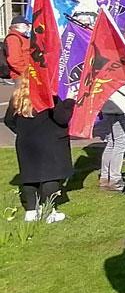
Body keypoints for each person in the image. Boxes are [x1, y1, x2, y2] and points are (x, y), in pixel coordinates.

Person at [5, 74, 74, 223]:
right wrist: (69, 101)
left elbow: (9, 120)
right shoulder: (50, 95)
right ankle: (50, 212)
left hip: (26, 142)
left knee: (30, 176)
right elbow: (61, 118)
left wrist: (23, 132)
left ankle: (31, 211)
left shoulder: (19, 96)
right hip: (50, 141)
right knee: (51, 175)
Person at [96, 74, 125, 192]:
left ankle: (105, 177)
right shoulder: (122, 68)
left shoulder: (103, 68)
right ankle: (115, 180)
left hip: (106, 106)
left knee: (111, 142)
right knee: (120, 144)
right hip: (123, 107)